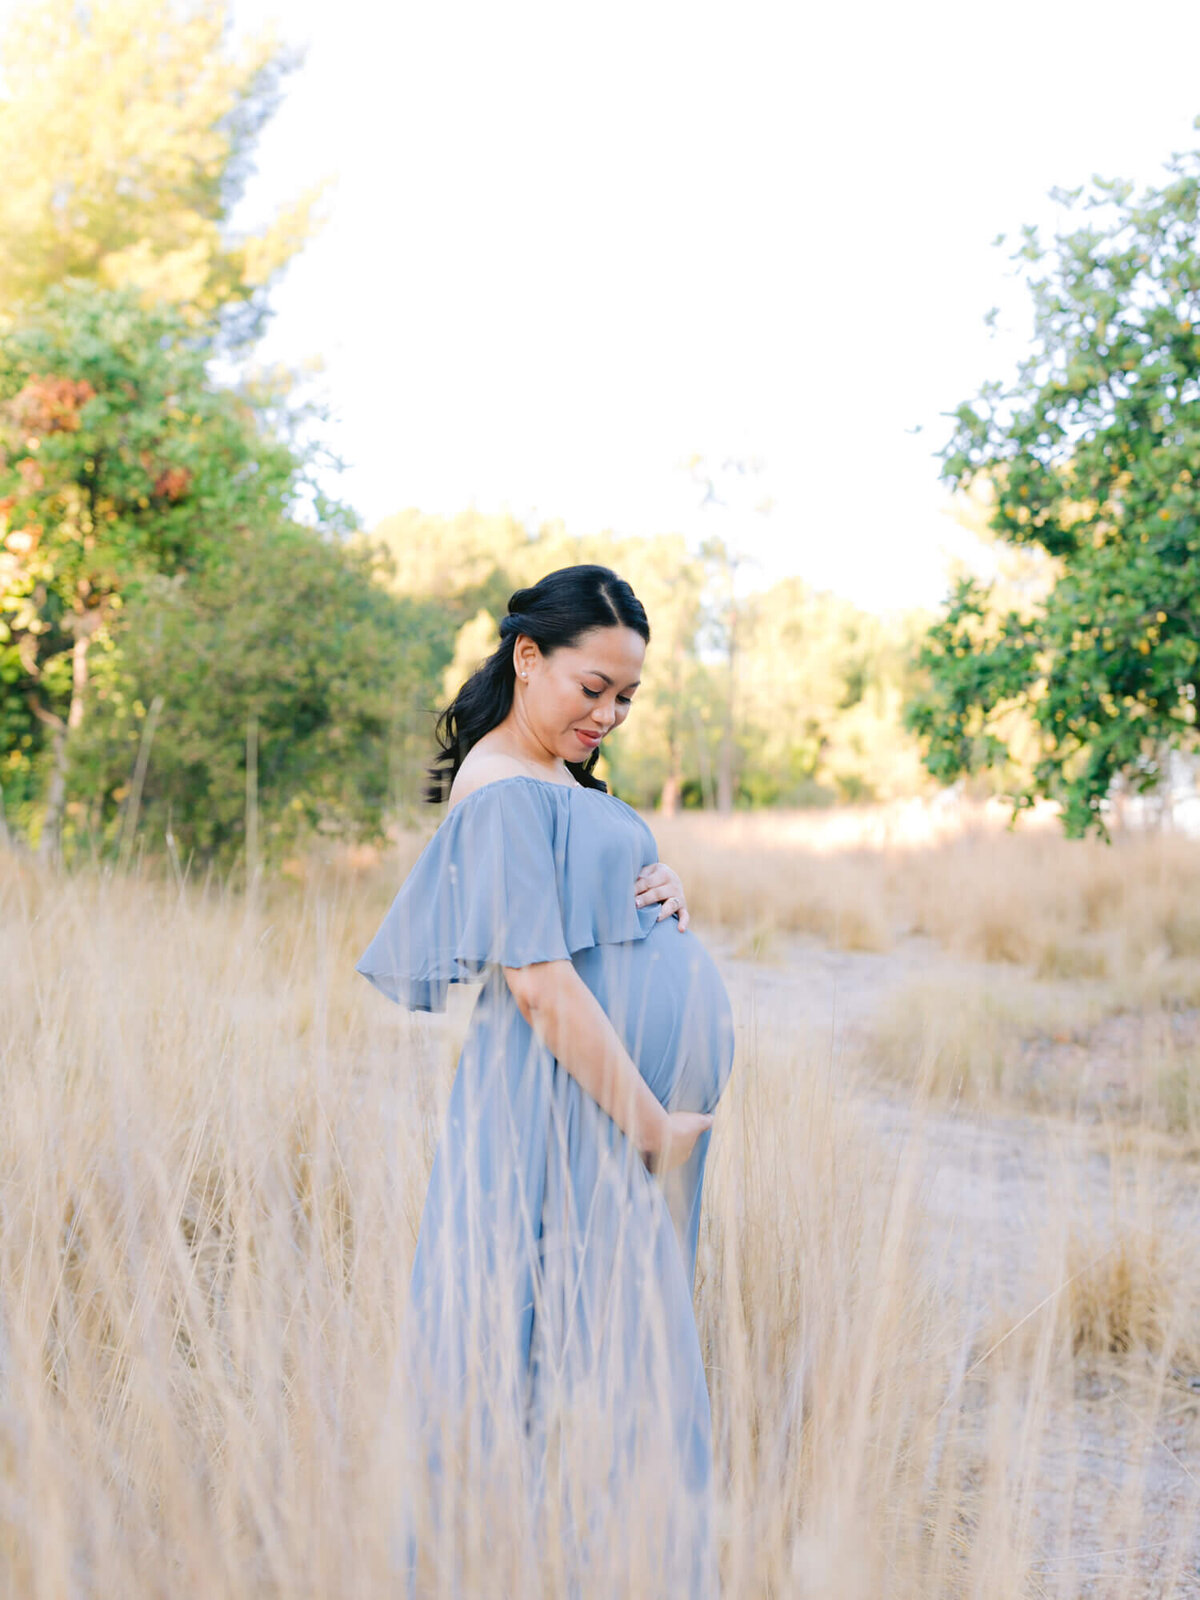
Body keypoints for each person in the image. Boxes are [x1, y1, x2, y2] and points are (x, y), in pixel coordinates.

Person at [355, 563, 736, 1597]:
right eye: (592, 687)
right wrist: (653, 1123)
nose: (608, 712)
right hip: (573, 1111)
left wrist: (659, 881)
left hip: (600, 1112)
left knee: (608, 1343)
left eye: (626, 695)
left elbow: (590, 909)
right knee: (570, 1345)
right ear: (529, 657)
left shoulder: (557, 783)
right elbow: (536, 985)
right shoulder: (500, 788)